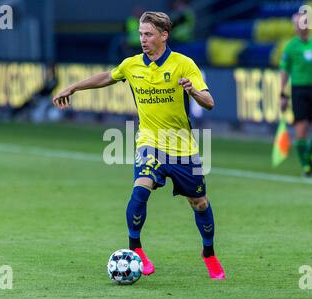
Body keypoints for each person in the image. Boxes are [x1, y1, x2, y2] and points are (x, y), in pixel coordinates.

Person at [52, 11, 225, 280]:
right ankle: (137, 250)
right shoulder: (132, 65)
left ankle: (209, 253)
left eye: (148, 34)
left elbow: (209, 102)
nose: (142, 39)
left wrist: (192, 91)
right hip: (149, 142)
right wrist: (73, 87)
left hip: (182, 148)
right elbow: (106, 77)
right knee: (140, 189)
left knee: (200, 203)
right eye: (141, 34)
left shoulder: (183, 64)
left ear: (164, 35)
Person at [280, 13, 312, 176]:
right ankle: (306, 166)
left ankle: (307, 154)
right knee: (301, 129)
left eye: (300, 23)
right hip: (298, 91)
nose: (297, 27)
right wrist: (282, 94)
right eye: (295, 24)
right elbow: (284, 71)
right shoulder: (290, 47)